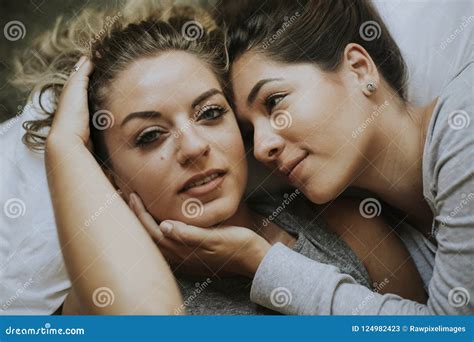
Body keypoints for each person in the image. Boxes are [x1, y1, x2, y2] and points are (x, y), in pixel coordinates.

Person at [18, 2, 426, 314]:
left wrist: (258, 262)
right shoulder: (98, 288)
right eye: (150, 136)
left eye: (211, 113)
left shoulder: (345, 221)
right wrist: (66, 147)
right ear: (107, 176)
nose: (194, 147)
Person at [153, 0, 472, 315]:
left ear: (359, 69)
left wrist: (260, 261)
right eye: (250, 132)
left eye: (274, 101)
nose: (262, 148)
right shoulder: (394, 237)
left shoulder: (462, 125)